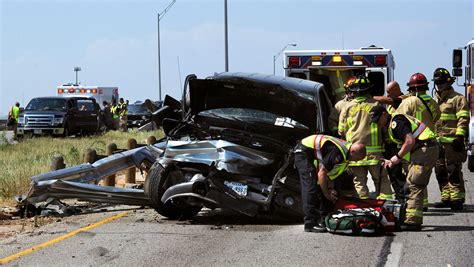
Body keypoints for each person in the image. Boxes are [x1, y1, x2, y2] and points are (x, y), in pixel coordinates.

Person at [370, 106, 438, 231]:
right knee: (412, 184)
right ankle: (411, 218)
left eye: (378, 119)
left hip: (425, 149)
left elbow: (409, 141)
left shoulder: (397, 122)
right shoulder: (393, 125)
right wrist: (392, 160)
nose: (378, 124)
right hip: (423, 149)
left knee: (414, 184)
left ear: (385, 114)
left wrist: (397, 157)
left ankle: (413, 222)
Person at [294, 134, 366, 233]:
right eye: (357, 159)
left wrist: (331, 188)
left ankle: (324, 219)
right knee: (311, 187)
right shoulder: (338, 152)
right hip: (303, 152)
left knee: (325, 187)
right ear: (353, 152)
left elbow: (331, 174)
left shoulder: (346, 152)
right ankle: (310, 223)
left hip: (312, 153)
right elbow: (322, 173)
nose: (356, 161)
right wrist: (327, 193)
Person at [339, 75, 393, 200]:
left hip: (355, 155)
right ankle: (387, 209)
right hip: (376, 155)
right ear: (369, 90)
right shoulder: (377, 105)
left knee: (359, 184)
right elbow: (385, 127)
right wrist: (389, 142)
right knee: (382, 182)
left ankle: (362, 211)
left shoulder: (346, 107)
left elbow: (341, 131)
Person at [396, 73, 440, 210]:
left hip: (412, 145)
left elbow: (398, 118)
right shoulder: (433, 102)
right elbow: (437, 117)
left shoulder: (408, 102)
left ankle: (415, 208)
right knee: (422, 176)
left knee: (412, 178)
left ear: (411, 88)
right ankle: (423, 203)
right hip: (428, 145)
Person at [433, 68, 469, 210]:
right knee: (440, 171)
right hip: (437, 143)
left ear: (449, 82)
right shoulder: (434, 100)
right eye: (438, 82)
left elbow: (463, 118)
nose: (440, 85)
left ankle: (457, 199)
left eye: (442, 82)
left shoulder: (458, 99)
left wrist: (460, 136)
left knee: (453, 170)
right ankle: (446, 197)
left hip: (453, 143)